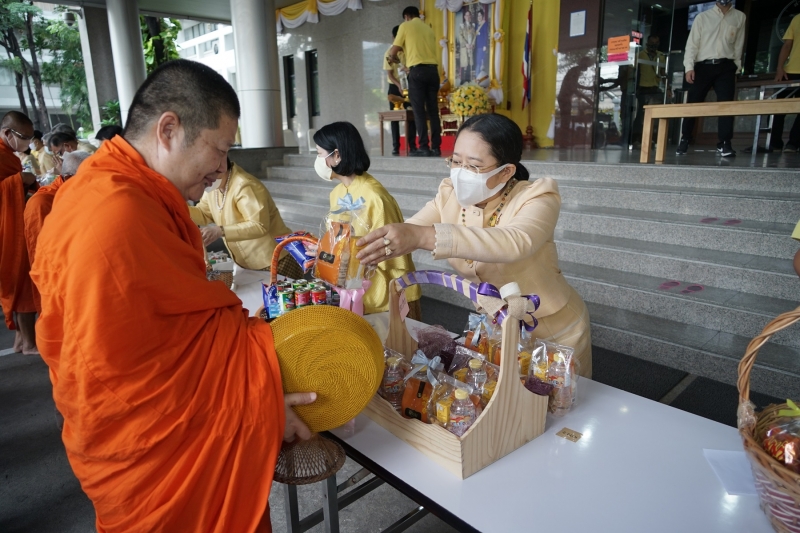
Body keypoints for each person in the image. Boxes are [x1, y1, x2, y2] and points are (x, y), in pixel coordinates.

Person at [30, 60, 314, 532]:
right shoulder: (115, 212)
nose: (220, 168)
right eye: (219, 150)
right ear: (168, 130)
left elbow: (178, 327)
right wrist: (260, 395)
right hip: (146, 444)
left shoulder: (115, 191)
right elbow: (128, 368)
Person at [356, 114, 592, 377]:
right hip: (498, 329)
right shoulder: (450, 195)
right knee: (503, 396)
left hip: (555, 330)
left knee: (561, 398)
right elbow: (409, 230)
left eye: (474, 166)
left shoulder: (537, 197)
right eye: (456, 162)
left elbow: (514, 242)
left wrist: (422, 237)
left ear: (506, 171)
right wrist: (358, 248)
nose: (460, 172)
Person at [313, 121, 422, 318]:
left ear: (337, 155)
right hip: (350, 287)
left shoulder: (375, 196)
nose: (318, 160)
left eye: (320, 154)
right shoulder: (337, 193)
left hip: (385, 294)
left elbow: (394, 254)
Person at [188, 157, 303, 277]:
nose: (202, 181)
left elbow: (259, 225)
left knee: (283, 289)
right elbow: (203, 213)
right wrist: (180, 205)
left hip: (274, 259)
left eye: (204, 176)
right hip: (246, 262)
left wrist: (220, 231)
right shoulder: (214, 187)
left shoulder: (244, 185)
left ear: (220, 167)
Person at [677, 0, 746, 158]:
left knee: (726, 105)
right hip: (703, 66)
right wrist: (689, 67)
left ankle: (725, 143)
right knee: (693, 102)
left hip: (726, 66)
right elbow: (692, 44)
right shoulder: (702, 17)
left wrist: (736, 68)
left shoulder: (740, 17)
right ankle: (685, 138)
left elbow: (739, 44)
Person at [24, 151, 90, 313]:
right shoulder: (42, 203)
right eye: (88, 176)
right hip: (61, 276)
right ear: (67, 178)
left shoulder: (79, 191)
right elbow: (41, 254)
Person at [0, 111, 38, 355]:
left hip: (12, 222)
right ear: (7, 133)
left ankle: (20, 341)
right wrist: (19, 179)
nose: (27, 142)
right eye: (23, 137)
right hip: (7, 229)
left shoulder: (8, 156)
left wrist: (21, 180)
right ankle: (29, 343)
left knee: (19, 280)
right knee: (23, 281)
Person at [388, 6, 442, 157]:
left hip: (417, 72)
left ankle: (424, 146)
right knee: (433, 111)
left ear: (406, 16)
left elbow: (393, 50)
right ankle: (436, 147)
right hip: (433, 71)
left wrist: (393, 57)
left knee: (418, 111)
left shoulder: (405, 26)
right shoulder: (428, 29)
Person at [384, 25, 417, 156]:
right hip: (394, 87)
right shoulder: (389, 53)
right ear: (394, 38)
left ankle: (412, 146)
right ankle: (395, 147)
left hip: (409, 86)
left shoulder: (409, 51)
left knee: (411, 116)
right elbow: (390, 74)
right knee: (395, 118)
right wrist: (399, 85)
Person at [771, 13, 800, 153]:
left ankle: (791, 144)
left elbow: (788, 45)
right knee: (778, 109)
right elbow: (787, 45)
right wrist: (779, 68)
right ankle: (777, 143)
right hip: (789, 71)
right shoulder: (797, 18)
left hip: (790, 72)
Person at [633, 35, 668, 147]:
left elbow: (663, 73)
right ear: (647, 43)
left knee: (655, 116)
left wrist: (668, 88)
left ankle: (652, 138)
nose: (654, 45)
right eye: (652, 42)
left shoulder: (661, 56)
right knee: (641, 116)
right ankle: (636, 139)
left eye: (656, 42)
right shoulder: (640, 55)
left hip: (655, 89)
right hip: (643, 89)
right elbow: (634, 72)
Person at [458, 8, 476, 84]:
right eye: (467, 15)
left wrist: (472, 44)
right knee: (463, 63)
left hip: (470, 47)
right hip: (464, 47)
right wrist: (466, 44)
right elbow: (460, 36)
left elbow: (474, 36)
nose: (468, 17)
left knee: (469, 63)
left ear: (470, 17)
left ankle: (468, 79)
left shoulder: (472, 26)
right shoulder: (462, 26)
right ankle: (462, 79)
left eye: (469, 15)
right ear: (464, 17)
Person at [473, 8, 490, 80]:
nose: (479, 17)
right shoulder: (477, 25)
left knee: (481, 62)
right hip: (477, 46)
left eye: (480, 15)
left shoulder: (485, 24)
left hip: (482, 46)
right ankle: (478, 77)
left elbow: (485, 35)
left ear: (483, 16)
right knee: (478, 61)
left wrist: (485, 45)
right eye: (478, 16)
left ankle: (479, 78)